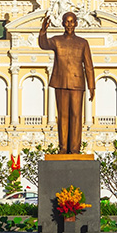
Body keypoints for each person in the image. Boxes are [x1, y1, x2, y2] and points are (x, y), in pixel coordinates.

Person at [39, 12, 95, 154]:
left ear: (76, 23)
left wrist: (91, 86)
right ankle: (63, 147)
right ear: (63, 23)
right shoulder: (57, 41)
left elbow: (88, 66)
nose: (69, 24)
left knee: (76, 116)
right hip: (61, 82)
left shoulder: (83, 43)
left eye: (72, 21)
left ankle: (75, 148)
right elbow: (44, 44)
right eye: (67, 21)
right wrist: (43, 31)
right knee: (63, 116)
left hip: (77, 83)